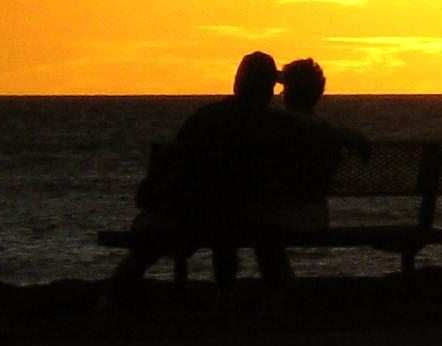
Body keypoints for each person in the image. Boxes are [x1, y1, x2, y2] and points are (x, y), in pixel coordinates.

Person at [105, 50, 302, 305]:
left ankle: (113, 299)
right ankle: (254, 298)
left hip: (193, 210)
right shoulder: (276, 125)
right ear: (266, 90)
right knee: (245, 230)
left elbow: (173, 165)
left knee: (159, 240)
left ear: (238, 83)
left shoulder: (205, 117)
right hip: (238, 213)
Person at [263, 56, 372, 231]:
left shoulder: (276, 128)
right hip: (317, 218)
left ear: (288, 92)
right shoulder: (330, 133)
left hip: (279, 219)